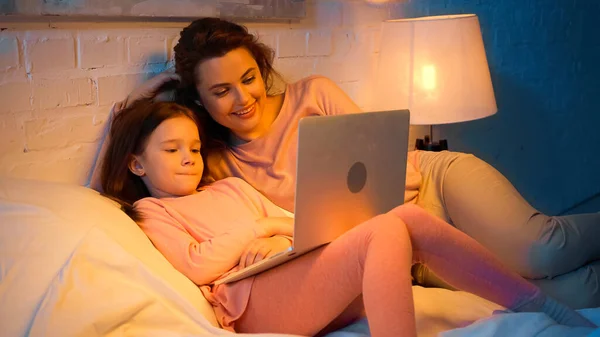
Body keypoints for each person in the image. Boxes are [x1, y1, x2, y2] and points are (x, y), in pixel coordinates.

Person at [90, 17, 600, 308]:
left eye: (247, 78)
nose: (241, 98)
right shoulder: (218, 164)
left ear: (260, 69)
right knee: (565, 291)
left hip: (432, 185)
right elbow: (122, 164)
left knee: (543, 249)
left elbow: (393, 165)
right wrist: (155, 90)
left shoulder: (316, 96)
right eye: (220, 91)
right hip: (402, 245)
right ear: (200, 99)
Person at [99, 99, 594, 336]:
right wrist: (259, 229)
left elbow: (290, 222)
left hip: (298, 273)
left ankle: (538, 304)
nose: (189, 157)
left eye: (193, 147)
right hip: (253, 300)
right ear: (136, 163)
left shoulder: (229, 186)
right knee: (382, 229)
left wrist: (280, 228)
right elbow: (196, 265)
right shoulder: (152, 209)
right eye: (171, 149)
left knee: (401, 217)